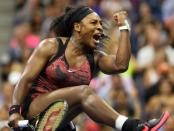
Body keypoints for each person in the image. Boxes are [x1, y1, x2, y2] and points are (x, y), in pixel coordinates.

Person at [9, 5, 169, 131]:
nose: (100, 27)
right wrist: (14, 111)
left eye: (101, 24)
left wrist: (124, 28)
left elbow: (121, 65)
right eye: (94, 22)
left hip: (61, 118)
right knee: (84, 92)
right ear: (77, 27)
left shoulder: (95, 58)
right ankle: (132, 126)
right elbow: (25, 80)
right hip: (35, 108)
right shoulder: (51, 46)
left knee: (84, 100)